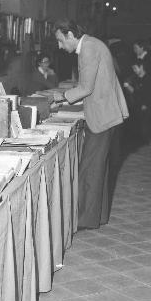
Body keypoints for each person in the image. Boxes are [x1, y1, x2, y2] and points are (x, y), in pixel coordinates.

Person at [52, 19, 129, 230]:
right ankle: (97, 216)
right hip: (105, 113)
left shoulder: (88, 48)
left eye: (60, 40)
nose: (60, 46)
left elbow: (85, 87)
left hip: (102, 116)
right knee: (96, 169)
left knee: (89, 169)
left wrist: (60, 97)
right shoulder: (92, 44)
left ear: (70, 35)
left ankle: (84, 219)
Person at [122, 59, 151, 151]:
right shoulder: (135, 78)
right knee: (138, 124)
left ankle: (145, 143)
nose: (134, 70)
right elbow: (133, 93)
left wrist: (145, 104)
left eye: (135, 68)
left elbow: (148, 94)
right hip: (136, 105)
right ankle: (139, 142)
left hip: (145, 105)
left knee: (145, 125)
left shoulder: (148, 79)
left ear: (141, 67)